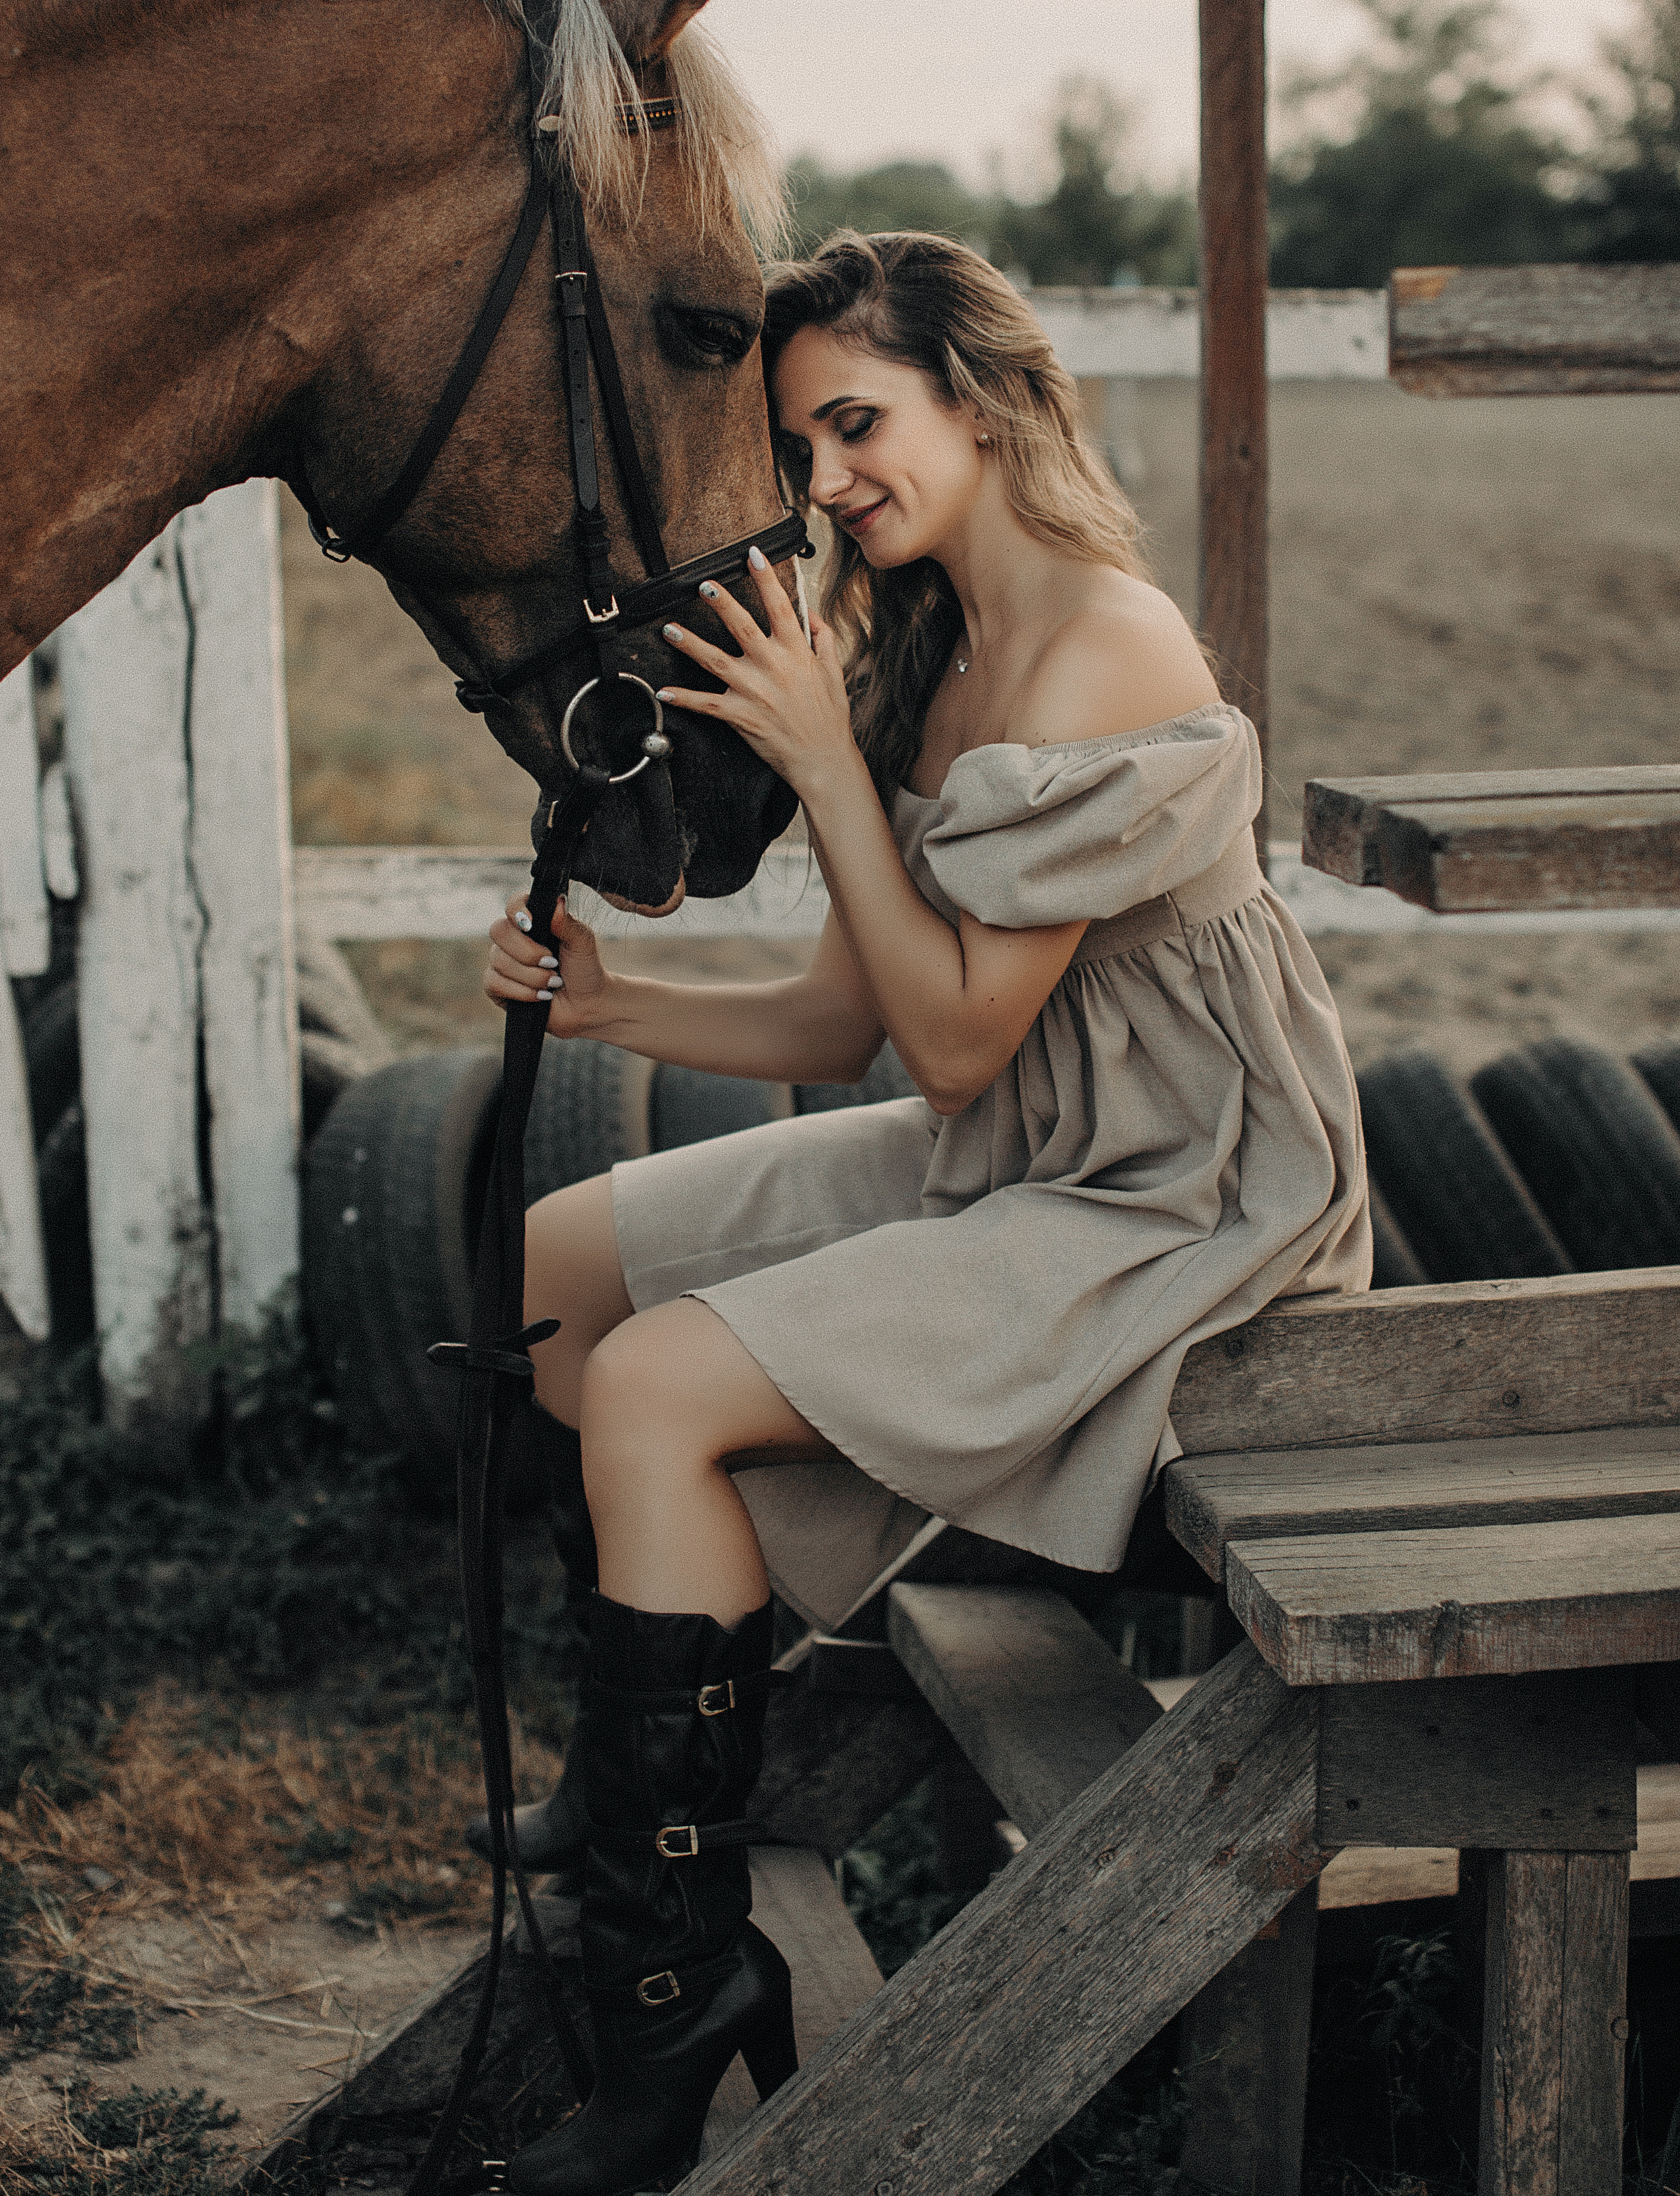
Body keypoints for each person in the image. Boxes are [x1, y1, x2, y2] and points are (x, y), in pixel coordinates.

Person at [486, 230, 1370, 2194]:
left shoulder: (1102, 645)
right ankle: (649, 1781)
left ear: (979, 396)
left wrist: (818, 762)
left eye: (857, 425)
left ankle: (673, 2008)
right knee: (555, 1283)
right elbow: (844, 1009)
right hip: (1035, 1141)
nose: (824, 485)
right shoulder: (928, 641)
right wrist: (620, 998)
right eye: (797, 446)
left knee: (652, 1394)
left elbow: (954, 1042)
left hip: (1182, 1198)